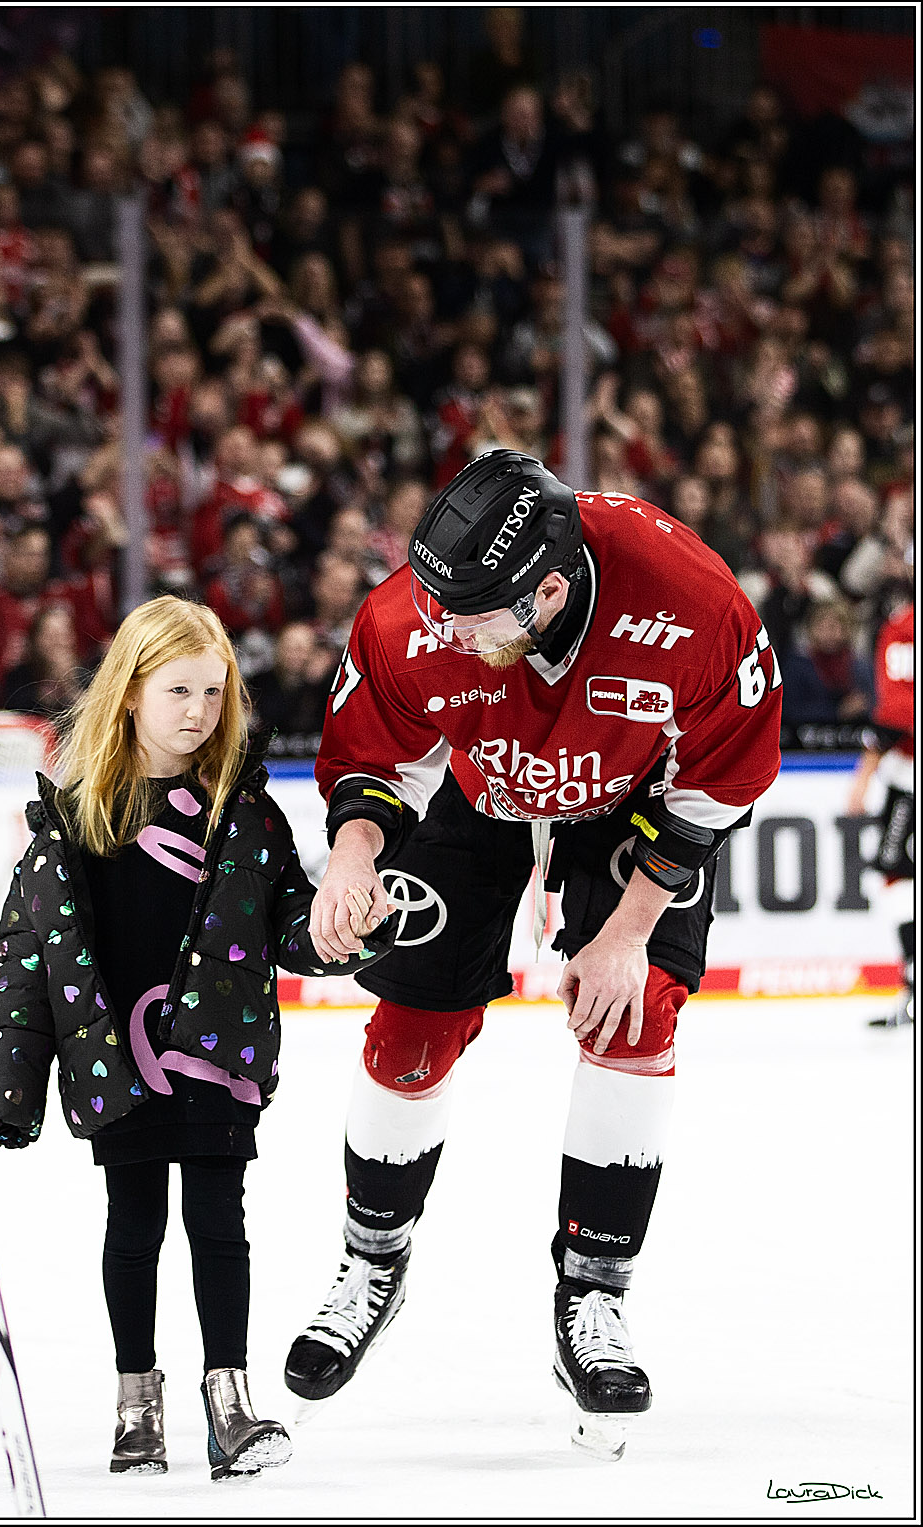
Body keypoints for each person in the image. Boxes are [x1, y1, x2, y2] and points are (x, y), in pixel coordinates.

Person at [283, 449, 782, 1459]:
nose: (444, 630)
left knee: (633, 1017)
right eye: (437, 606)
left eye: (470, 619)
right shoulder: (410, 615)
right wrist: (349, 859)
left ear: (547, 588)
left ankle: (592, 1294)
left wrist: (627, 932)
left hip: (637, 799)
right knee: (410, 1029)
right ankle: (372, 1260)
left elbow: (724, 776)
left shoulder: (691, 605)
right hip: (480, 783)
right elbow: (379, 752)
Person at [0, 596, 394, 1480]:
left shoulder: (245, 813)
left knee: (217, 1220)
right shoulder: (78, 818)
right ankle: (137, 1402)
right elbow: (27, 962)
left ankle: (228, 1401)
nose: (200, 710)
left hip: (215, 1049)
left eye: (213, 690)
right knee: (134, 1224)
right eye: (179, 690)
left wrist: (340, 931)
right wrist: (10, 1091)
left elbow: (288, 926)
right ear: (129, 692)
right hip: (117, 1057)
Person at [847, 598, 914, 1028]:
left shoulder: (902, 626)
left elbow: (896, 710)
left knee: (896, 876)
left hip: (908, 775)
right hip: (905, 774)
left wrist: (864, 775)